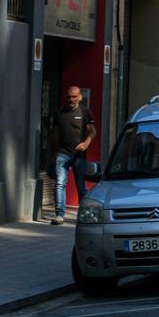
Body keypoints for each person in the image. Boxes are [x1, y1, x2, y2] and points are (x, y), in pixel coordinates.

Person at [49, 85, 96, 224]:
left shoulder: (85, 112)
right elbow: (55, 135)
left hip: (78, 154)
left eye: (74, 96)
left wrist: (86, 143)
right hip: (62, 153)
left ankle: (83, 215)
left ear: (80, 97)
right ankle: (59, 215)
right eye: (69, 96)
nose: (71, 99)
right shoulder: (60, 113)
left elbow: (93, 132)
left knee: (80, 186)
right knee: (60, 183)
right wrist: (52, 155)